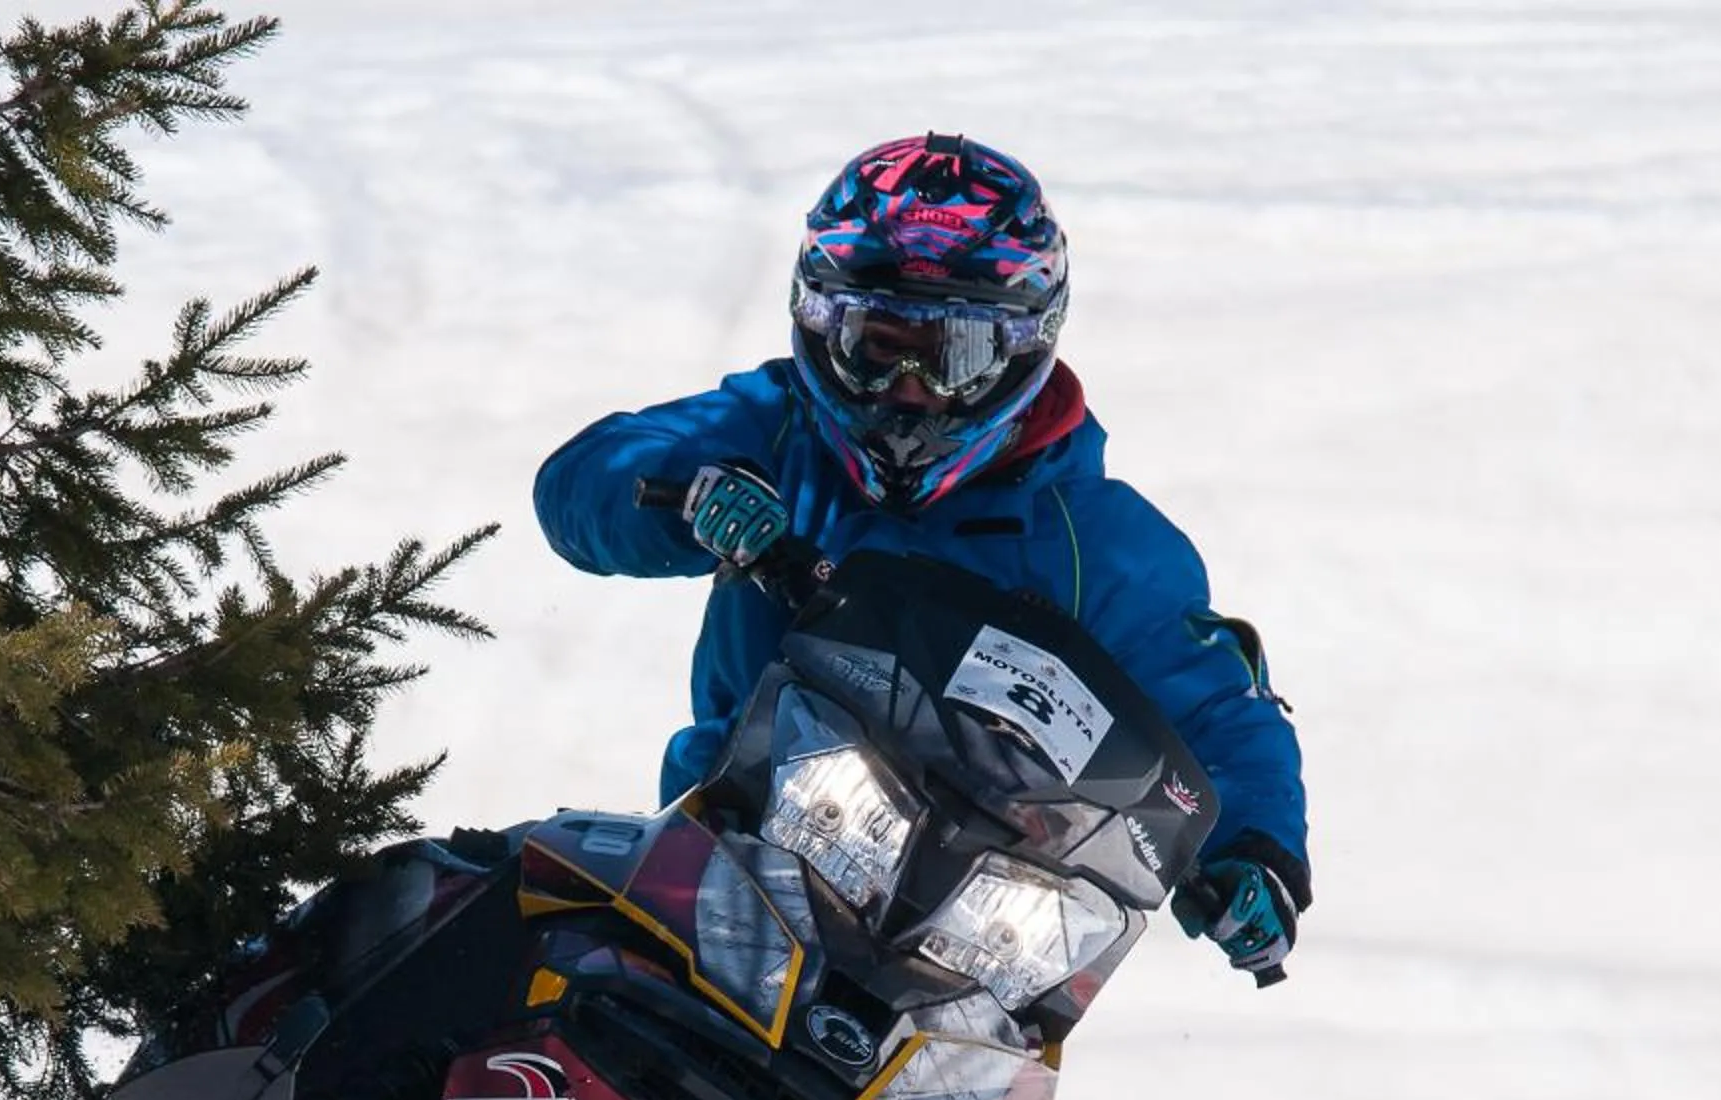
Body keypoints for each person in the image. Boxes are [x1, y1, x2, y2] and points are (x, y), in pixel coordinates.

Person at [533, 134, 1310, 980]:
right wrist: (685, 490)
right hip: (728, 852)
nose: (910, 390)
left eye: (954, 358)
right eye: (877, 347)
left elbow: (1213, 708)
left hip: (980, 929)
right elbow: (582, 482)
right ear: (820, 323)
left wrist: (1255, 847)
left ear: (1023, 348)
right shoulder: (778, 429)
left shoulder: (1099, 540)